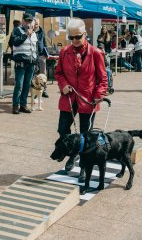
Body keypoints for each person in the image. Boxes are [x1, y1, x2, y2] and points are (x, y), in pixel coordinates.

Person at [54, 18, 108, 182]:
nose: (75, 41)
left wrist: (98, 94)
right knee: (63, 130)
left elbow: (103, 79)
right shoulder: (64, 52)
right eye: (71, 38)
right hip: (68, 98)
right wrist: (63, 85)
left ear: (85, 34)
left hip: (88, 99)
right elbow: (59, 73)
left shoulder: (96, 53)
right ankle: (73, 154)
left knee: (87, 136)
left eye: (78, 37)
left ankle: (84, 168)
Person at [11, 13, 37, 114]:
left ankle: (23, 104)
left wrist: (36, 61)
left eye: (30, 21)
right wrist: (26, 34)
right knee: (19, 84)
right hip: (21, 61)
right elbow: (15, 42)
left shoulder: (33, 32)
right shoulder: (17, 30)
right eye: (26, 21)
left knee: (27, 85)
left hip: (31, 62)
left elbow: (35, 48)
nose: (28, 23)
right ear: (22, 20)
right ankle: (15, 105)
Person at [34, 18, 49, 98]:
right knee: (35, 74)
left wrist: (46, 52)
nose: (36, 25)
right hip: (33, 55)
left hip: (41, 55)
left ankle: (44, 90)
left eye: (37, 24)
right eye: (35, 24)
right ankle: (36, 91)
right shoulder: (31, 31)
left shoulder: (41, 31)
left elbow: (44, 42)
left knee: (43, 74)